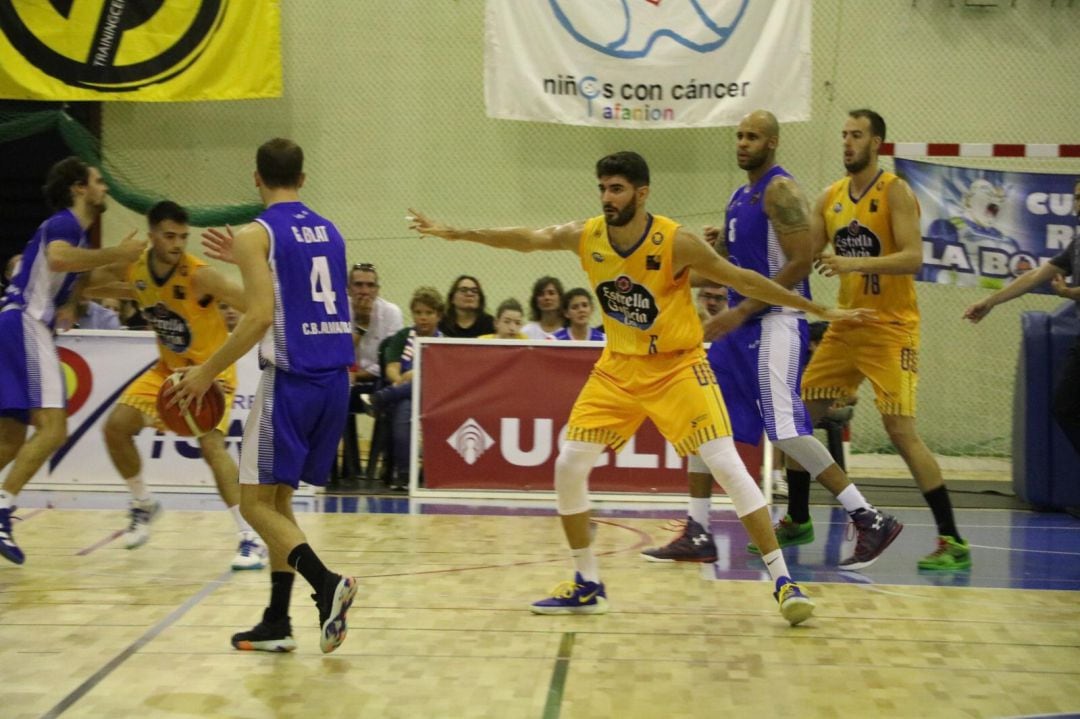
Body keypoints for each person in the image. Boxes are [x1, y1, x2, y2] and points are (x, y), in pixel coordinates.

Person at [409, 151, 871, 625]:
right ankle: (587, 583)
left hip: (676, 367)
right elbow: (529, 239)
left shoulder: (675, 242)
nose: (608, 198)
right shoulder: (586, 235)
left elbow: (741, 278)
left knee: (727, 464)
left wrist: (818, 310)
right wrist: (457, 231)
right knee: (569, 463)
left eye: (618, 189)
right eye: (603, 189)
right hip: (619, 368)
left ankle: (783, 581)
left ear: (642, 193)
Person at [642, 110, 902, 570]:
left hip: (777, 320)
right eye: (739, 136)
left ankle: (868, 517)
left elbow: (801, 260)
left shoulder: (781, 190)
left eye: (753, 137)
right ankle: (698, 531)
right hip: (743, 328)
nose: (742, 143)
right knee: (699, 415)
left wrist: (742, 307)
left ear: (772, 143)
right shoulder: (738, 195)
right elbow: (731, 264)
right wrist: (684, 269)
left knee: (785, 430)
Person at [172, 138, 358, 653]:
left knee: (253, 505)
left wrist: (206, 372)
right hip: (335, 380)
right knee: (278, 502)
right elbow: (298, 290)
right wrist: (250, 255)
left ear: (256, 177)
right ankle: (278, 620)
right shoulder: (331, 229)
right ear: (303, 177)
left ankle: (326, 585)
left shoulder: (258, 233)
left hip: (292, 381)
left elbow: (258, 316)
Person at [799, 109, 970, 571]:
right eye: (844, 135)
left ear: (876, 143)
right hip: (846, 326)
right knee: (797, 419)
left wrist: (853, 265)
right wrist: (732, 246)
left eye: (856, 135)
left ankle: (952, 539)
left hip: (892, 328)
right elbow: (804, 255)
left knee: (900, 432)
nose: (847, 143)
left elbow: (913, 258)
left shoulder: (894, 190)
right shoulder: (829, 198)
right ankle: (797, 518)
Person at [84, 200, 267, 570]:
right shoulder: (135, 266)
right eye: (169, 236)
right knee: (115, 428)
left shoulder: (201, 276)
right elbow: (91, 284)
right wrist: (113, 258)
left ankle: (250, 537)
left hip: (210, 370)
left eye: (183, 237)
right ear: (151, 235)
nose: (178, 243)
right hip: (167, 370)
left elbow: (254, 304)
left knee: (211, 445)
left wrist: (246, 267)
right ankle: (143, 504)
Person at [0, 157, 146, 565]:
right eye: (99, 181)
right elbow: (62, 260)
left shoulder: (77, 240)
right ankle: (2, 510)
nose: (105, 188)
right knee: (54, 428)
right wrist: (119, 250)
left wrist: (152, 290)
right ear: (79, 188)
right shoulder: (65, 224)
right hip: (27, 323)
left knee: (10, 439)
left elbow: (88, 283)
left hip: (14, 324)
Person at [963, 177, 1080, 456]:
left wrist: (1070, 294)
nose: (1079, 203)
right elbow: (1035, 276)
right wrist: (990, 301)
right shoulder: (1077, 244)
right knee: (1064, 407)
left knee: (1065, 405)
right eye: (1077, 197)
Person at [370, 286, 446, 489]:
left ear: (438, 315)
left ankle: (382, 397)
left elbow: (442, 378)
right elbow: (392, 368)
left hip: (434, 396)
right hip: (406, 392)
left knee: (416, 385)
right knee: (405, 408)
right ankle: (404, 475)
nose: (423, 318)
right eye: (418, 312)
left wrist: (416, 374)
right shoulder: (403, 336)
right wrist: (401, 380)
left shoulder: (444, 342)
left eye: (429, 313)